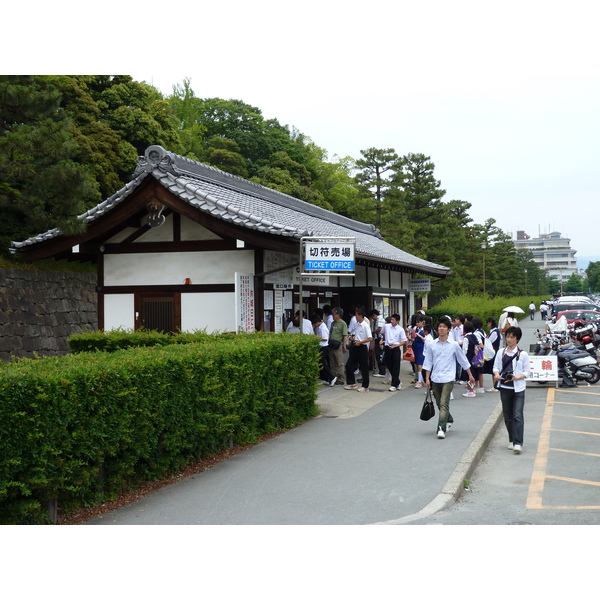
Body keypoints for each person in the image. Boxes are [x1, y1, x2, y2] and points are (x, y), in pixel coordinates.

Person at [423, 316, 476, 439]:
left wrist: (470, 375)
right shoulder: (432, 345)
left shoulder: (454, 345)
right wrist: (427, 378)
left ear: (448, 330)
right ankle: (449, 419)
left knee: (444, 403)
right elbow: (428, 362)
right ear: (437, 329)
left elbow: (463, 360)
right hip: (435, 378)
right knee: (438, 403)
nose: (441, 329)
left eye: (444, 327)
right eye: (440, 327)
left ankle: (441, 428)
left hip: (448, 378)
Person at [493, 326, 529, 454]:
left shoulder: (522, 354)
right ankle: (512, 439)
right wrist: (497, 374)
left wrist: (517, 377)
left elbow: (527, 372)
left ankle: (518, 443)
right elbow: (495, 367)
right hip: (504, 388)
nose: (509, 339)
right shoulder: (500, 352)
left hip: (518, 388)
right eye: (507, 336)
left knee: (517, 415)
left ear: (517, 339)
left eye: (512, 337)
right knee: (507, 416)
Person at [344, 307, 373, 392]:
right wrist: (353, 338)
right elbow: (357, 334)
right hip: (355, 346)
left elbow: (370, 338)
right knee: (349, 365)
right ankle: (351, 383)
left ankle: (365, 386)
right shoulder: (357, 324)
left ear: (360, 315)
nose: (355, 317)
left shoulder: (365, 325)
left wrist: (360, 342)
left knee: (363, 367)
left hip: (362, 347)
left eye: (356, 315)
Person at [381, 313, 407, 391]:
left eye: (393, 320)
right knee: (389, 365)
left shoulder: (400, 329)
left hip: (395, 348)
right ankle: (397, 382)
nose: (391, 321)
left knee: (396, 366)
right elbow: (382, 332)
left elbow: (404, 341)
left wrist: (395, 346)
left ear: (397, 321)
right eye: (391, 319)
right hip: (387, 347)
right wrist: (385, 340)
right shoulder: (387, 326)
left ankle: (394, 384)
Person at [311, 314, 337, 386]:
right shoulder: (320, 327)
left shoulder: (323, 328)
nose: (314, 325)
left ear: (317, 322)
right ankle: (325, 378)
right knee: (320, 363)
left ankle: (332, 377)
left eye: (314, 323)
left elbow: (325, 338)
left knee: (323, 363)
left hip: (324, 347)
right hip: (321, 346)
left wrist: (317, 338)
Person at [461, 320, 482, 397]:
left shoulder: (466, 338)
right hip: (475, 358)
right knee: (473, 374)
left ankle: (471, 391)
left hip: (468, 358)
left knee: (468, 375)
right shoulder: (475, 336)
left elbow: (464, 351)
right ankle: (471, 389)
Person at [328, 307, 348, 385]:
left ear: (338, 315)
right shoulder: (333, 323)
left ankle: (341, 379)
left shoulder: (343, 323)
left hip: (338, 345)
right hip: (331, 344)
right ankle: (334, 377)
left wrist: (344, 345)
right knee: (332, 362)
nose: (332, 315)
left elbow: (345, 335)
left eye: (334, 314)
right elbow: (330, 333)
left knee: (339, 362)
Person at [484, 317, 501, 391]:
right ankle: (494, 385)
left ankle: (495, 386)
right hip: (494, 352)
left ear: (490, 323)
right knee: (493, 369)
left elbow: (489, 342)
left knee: (494, 369)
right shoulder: (496, 331)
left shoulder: (494, 332)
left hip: (493, 352)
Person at [369, 309, 386, 377]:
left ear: (374, 315)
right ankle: (381, 370)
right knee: (378, 354)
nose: (372, 319)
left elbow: (380, 329)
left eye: (372, 317)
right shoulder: (377, 320)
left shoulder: (379, 319)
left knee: (379, 355)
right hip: (377, 338)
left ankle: (382, 371)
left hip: (380, 339)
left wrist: (372, 331)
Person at [412, 316, 426, 388]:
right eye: (416, 322)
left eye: (419, 322)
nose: (417, 324)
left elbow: (427, 339)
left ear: (422, 322)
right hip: (416, 347)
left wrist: (419, 336)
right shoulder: (416, 329)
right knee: (417, 364)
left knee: (420, 364)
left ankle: (420, 380)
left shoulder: (425, 330)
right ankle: (421, 379)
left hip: (422, 347)